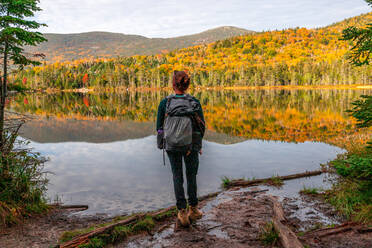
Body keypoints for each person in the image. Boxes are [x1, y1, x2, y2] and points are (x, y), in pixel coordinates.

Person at [156, 70, 205, 226]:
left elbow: (159, 128)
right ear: (187, 85)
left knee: (177, 176)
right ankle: (194, 210)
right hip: (191, 145)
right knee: (191, 176)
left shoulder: (165, 103)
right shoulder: (194, 102)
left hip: (172, 146)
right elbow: (201, 127)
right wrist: (197, 146)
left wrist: (163, 143)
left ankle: (182, 213)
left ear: (173, 85)